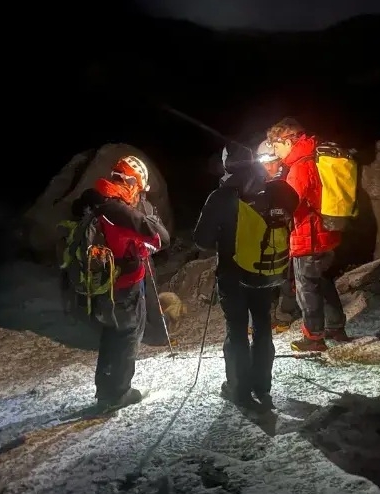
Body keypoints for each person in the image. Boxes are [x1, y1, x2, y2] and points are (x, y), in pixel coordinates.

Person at [194, 143, 299, 409]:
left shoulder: (222, 196)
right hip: (266, 271)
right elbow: (293, 205)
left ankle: (239, 390)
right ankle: (262, 386)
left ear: (227, 164)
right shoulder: (274, 189)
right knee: (263, 325)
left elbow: (201, 240)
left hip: (233, 274)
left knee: (237, 331)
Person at [62, 155, 170, 409]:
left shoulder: (99, 201)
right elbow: (160, 238)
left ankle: (106, 391)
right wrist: (147, 221)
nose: (139, 195)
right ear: (131, 183)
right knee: (127, 335)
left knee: (112, 335)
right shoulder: (119, 211)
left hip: (105, 285)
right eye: (139, 189)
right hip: (124, 286)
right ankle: (118, 394)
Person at [266, 118, 351, 352]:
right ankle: (336, 327)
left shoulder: (300, 167)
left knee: (306, 288)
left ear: (287, 140)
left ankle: (313, 338)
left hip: (309, 237)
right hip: (325, 234)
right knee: (323, 282)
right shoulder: (313, 158)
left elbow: (289, 204)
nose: (274, 151)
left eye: (276, 145)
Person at [256, 140, 301, 333]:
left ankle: (285, 314)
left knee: (286, 277)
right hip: (263, 238)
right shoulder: (256, 182)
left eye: (272, 161)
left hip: (287, 236)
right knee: (260, 277)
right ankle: (260, 318)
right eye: (263, 162)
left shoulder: (289, 179)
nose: (268, 166)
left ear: (280, 161)